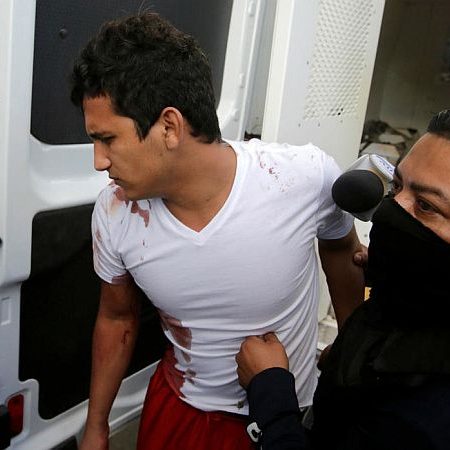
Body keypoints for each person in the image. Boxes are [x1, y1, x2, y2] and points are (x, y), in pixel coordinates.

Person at [70, 12, 365, 450]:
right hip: (178, 410)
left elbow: (342, 249)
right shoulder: (115, 212)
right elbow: (117, 318)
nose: (98, 161)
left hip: (283, 414)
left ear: (169, 127)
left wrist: (351, 353)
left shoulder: (301, 177)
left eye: (107, 139)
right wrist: (97, 425)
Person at [236, 109, 450, 450]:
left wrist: (271, 395)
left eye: (425, 206)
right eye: (397, 186)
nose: (389, 210)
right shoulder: (418, 304)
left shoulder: (424, 419)